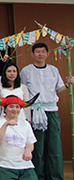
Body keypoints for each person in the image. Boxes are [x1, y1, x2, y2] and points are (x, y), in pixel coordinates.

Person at [20, 43, 67, 180]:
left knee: (54, 146)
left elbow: (59, 89)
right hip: (34, 111)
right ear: (32, 54)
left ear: (48, 54)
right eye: (37, 52)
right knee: (37, 147)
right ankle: (37, 176)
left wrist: (68, 85)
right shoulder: (26, 71)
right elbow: (23, 92)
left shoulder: (54, 70)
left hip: (51, 110)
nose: (40, 54)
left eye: (43, 52)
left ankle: (55, 176)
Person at [0, 94, 38, 180]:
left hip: (25, 166)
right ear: (4, 109)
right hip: (4, 165)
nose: (15, 109)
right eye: (11, 107)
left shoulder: (25, 123)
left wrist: (28, 151)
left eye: (17, 107)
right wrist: (6, 125)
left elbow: (30, 143)